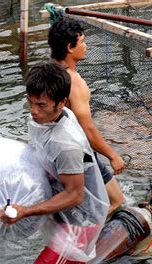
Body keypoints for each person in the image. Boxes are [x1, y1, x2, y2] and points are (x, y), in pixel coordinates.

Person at [0, 62, 109, 264]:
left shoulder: (65, 145)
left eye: (41, 105)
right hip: (60, 212)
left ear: (61, 103)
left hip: (79, 221)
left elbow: (75, 196)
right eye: (31, 102)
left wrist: (27, 211)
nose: (33, 111)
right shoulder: (51, 118)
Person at [48, 17, 124, 215]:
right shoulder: (73, 82)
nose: (86, 46)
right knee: (115, 201)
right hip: (79, 150)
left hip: (55, 148)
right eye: (82, 42)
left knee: (78, 199)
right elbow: (87, 129)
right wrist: (113, 155)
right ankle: (89, 241)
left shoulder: (49, 72)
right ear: (69, 47)